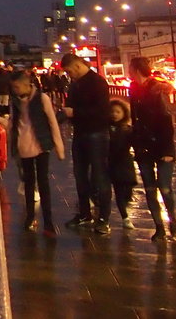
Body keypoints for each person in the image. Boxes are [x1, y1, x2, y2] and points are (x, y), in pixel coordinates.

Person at [0, 68, 64, 237]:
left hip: (41, 144)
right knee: (28, 182)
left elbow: (52, 122)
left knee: (43, 182)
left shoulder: (42, 98)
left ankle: (48, 221)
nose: (15, 91)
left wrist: (58, 146)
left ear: (27, 85)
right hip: (23, 145)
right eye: (13, 88)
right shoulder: (16, 102)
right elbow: (14, 123)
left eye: (17, 87)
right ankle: (30, 217)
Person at [60, 52, 112, 234]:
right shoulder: (75, 85)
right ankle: (84, 214)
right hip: (80, 134)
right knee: (80, 176)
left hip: (97, 133)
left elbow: (102, 111)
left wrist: (74, 113)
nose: (69, 75)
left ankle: (104, 219)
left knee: (100, 176)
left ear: (77, 66)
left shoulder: (97, 82)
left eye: (69, 71)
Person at [129, 56, 176, 240]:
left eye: (130, 67)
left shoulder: (158, 90)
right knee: (149, 188)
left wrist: (167, 151)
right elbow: (134, 119)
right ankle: (159, 226)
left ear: (136, 69)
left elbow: (166, 121)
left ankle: (172, 219)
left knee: (164, 187)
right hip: (143, 146)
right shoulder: (133, 89)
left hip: (161, 145)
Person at [108, 98, 138, 228]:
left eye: (117, 112)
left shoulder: (128, 129)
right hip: (112, 164)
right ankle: (125, 217)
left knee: (127, 191)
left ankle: (125, 208)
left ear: (124, 113)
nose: (114, 114)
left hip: (126, 164)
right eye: (112, 111)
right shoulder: (106, 129)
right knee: (118, 191)